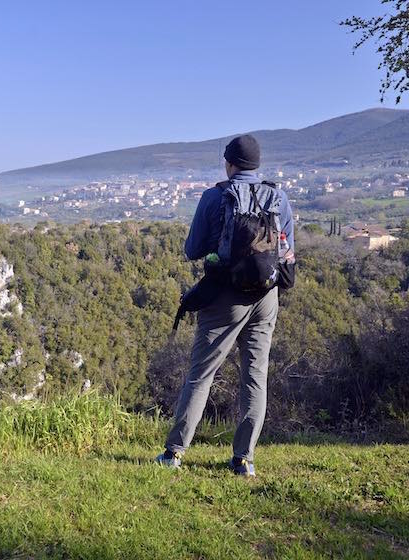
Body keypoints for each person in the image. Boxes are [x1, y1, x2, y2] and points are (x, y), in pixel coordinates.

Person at [156, 134, 294, 477]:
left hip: (223, 296)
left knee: (202, 374)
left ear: (229, 163)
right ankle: (244, 460)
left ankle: (174, 453)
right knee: (254, 376)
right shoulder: (278, 196)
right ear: (257, 164)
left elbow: (192, 249)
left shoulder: (215, 197)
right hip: (266, 296)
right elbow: (287, 248)